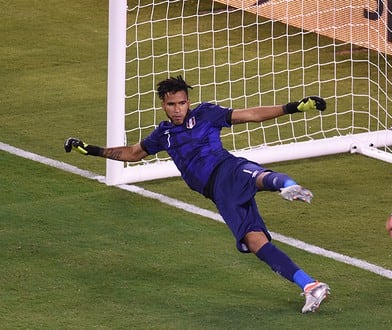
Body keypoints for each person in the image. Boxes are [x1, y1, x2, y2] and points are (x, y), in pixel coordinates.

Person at [64, 76, 330, 313]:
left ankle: (289, 186)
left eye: (181, 103)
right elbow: (133, 153)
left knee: (258, 178)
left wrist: (293, 107)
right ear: (163, 105)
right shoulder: (163, 134)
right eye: (171, 105)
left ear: (188, 101)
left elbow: (251, 114)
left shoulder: (206, 114)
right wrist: (92, 150)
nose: (177, 109)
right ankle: (311, 286)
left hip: (228, 169)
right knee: (255, 242)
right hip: (218, 195)